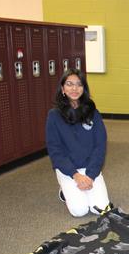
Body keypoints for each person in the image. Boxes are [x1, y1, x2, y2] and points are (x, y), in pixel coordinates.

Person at [45, 69, 111, 217]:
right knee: (80, 211)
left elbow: (100, 146)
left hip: (89, 169)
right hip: (69, 171)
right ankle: (64, 192)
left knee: (100, 209)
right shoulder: (54, 116)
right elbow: (55, 151)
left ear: (84, 88)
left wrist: (91, 175)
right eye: (69, 84)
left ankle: (82, 187)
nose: (74, 88)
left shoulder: (93, 113)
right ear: (62, 89)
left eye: (79, 84)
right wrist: (75, 174)